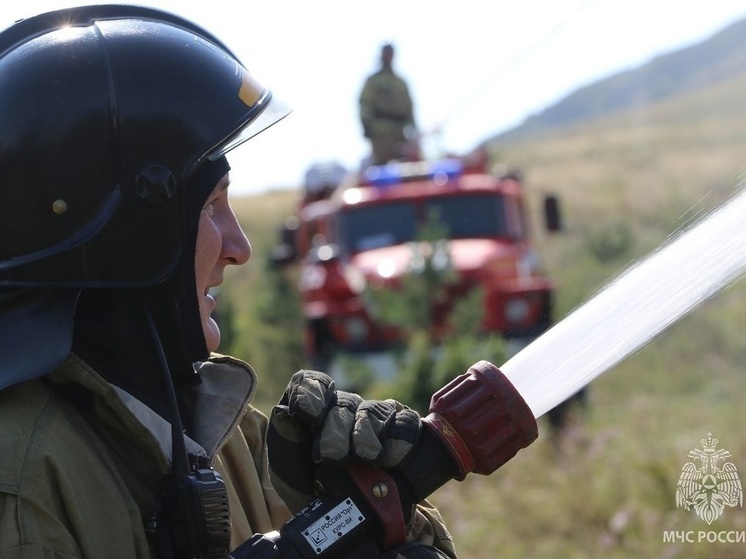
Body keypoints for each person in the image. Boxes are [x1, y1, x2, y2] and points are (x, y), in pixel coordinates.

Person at [0, 6, 456, 559]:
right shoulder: (26, 487)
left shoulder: (231, 434)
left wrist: (381, 513)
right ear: (130, 237)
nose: (240, 247)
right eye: (212, 205)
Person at [359, 43, 420, 165]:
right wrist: (367, 129)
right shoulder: (373, 82)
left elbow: (409, 108)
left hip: (399, 133)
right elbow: (364, 106)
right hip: (380, 134)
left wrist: (414, 132)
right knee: (381, 169)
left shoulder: (400, 83)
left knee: (404, 168)